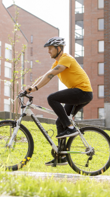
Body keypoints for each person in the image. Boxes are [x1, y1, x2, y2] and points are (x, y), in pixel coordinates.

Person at [25, 37, 93, 166]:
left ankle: (70, 127)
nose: (48, 51)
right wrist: (32, 88)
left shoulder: (66, 58)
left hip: (83, 92)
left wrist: (34, 88)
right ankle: (61, 156)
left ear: (59, 48)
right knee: (59, 121)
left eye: (50, 49)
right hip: (78, 93)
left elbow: (50, 75)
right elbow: (46, 76)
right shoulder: (57, 63)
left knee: (52, 98)